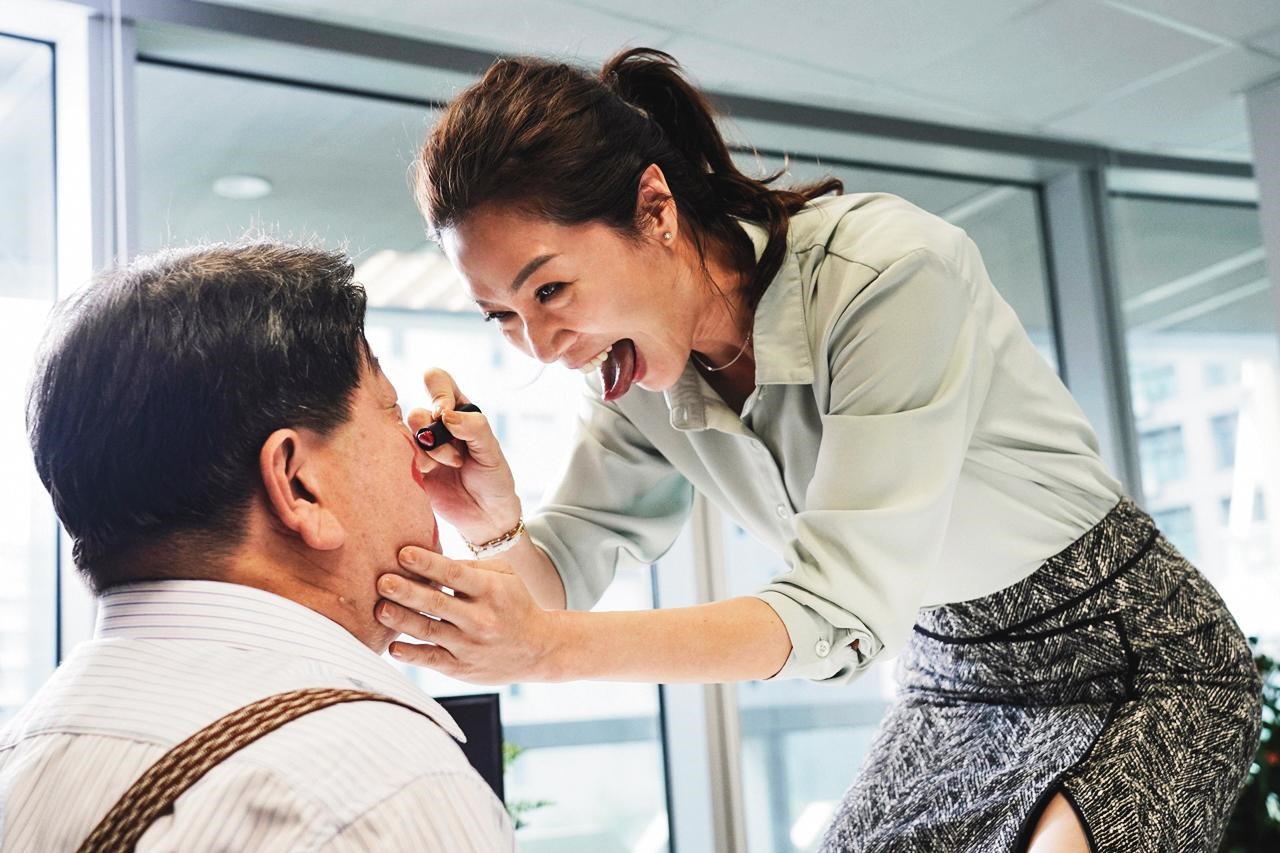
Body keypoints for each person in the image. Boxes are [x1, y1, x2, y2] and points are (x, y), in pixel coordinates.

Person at [373, 48, 1264, 852]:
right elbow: (556, 584)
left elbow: (839, 602)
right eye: (503, 317)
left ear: (655, 210)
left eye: (552, 288)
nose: (540, 344)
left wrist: (553, 650)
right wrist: (494, 526)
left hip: (1134, 654)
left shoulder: (885, 276)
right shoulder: (635, 375)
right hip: (950, 670)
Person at [2, 242, 513, 851]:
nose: (418, 448)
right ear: (299, 484)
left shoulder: (23, 756)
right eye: (389, 409)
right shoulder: (383, 791)